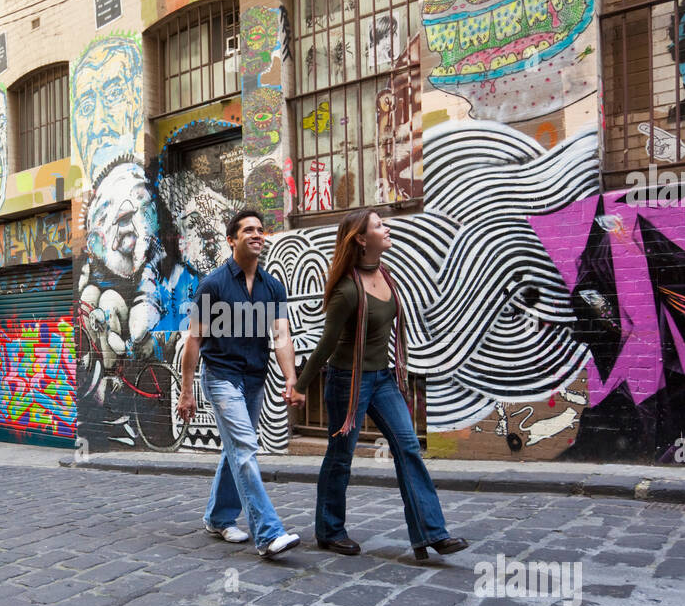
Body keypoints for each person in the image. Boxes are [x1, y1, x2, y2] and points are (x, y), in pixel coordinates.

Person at [288, 209, 469, 562]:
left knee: (408, 447)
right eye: (379, 226)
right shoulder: (346, 291)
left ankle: (430, 534)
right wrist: (299, 386)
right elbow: (325, 344)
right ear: (361, 238)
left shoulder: (385, 275)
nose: (387, 229)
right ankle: (329, 530)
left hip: (383, 379)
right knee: (341, 456)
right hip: (348, 382)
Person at [177, 209, 301, 558]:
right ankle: (268, 533)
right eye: (248, 230)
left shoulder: (272, 287)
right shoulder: (214, 285)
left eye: (260, 229)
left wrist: (291, 378)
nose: (257, 234)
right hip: (221, 377)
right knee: (246, 448)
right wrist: (187, 392)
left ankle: (218, 516)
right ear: (232, 239)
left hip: (254, 379)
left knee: (235, 450)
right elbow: (194, 342)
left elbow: (281, 337)